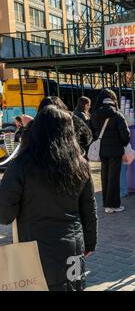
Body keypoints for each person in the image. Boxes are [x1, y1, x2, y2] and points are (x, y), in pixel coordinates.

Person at [0, 105, 97, 291]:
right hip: (73, 249)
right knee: (74, 287)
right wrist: (90, 242)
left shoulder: (21, 165)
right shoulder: (81, 165)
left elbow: (5, 215)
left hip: (34, 250)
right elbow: (89, 209)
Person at [91, 89, 130, 214]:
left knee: (104, 176)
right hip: (115, 151)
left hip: (102, 151)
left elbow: (90, 131)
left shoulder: (95, 114)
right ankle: (113, 205)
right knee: (114, 178)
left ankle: (106, 204)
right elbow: (126, 136)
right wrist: (123, 143)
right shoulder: (118, 115)